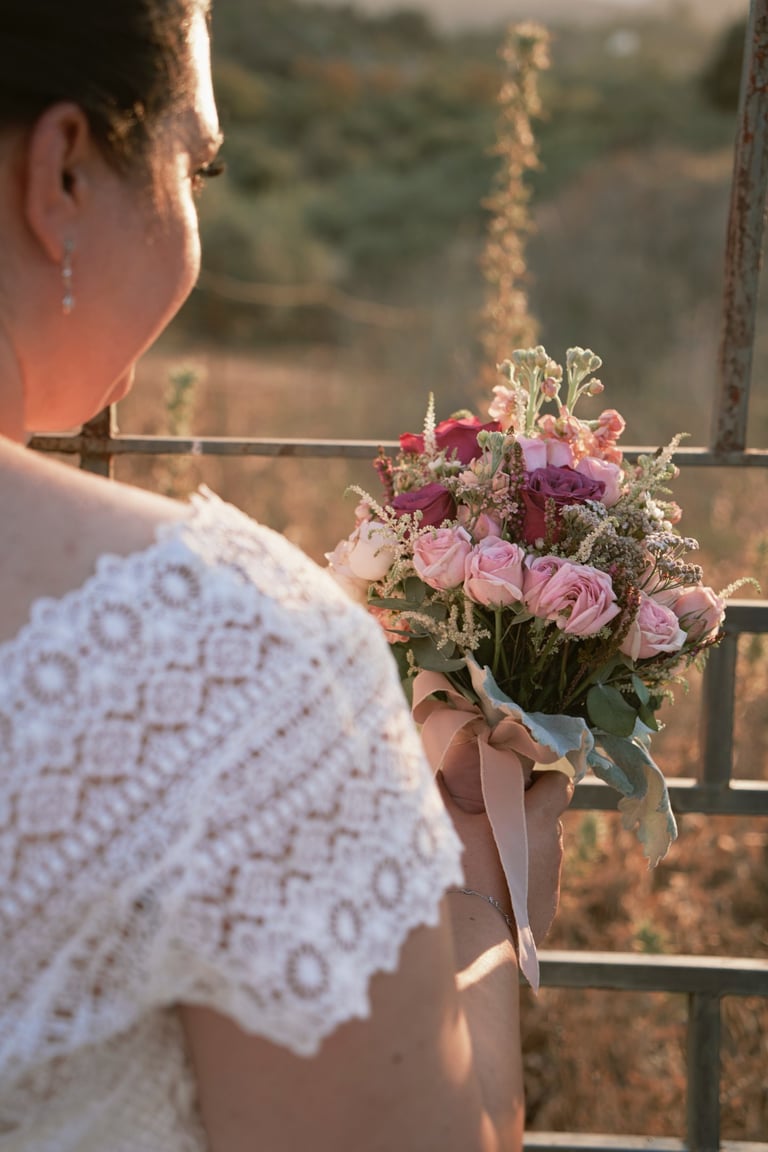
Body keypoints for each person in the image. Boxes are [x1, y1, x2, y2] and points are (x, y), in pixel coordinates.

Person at [0, 2, 573, 1149]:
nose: (197, 204)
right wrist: (472, 905)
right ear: (63, 171)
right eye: (194, 164)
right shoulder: (227, 663)